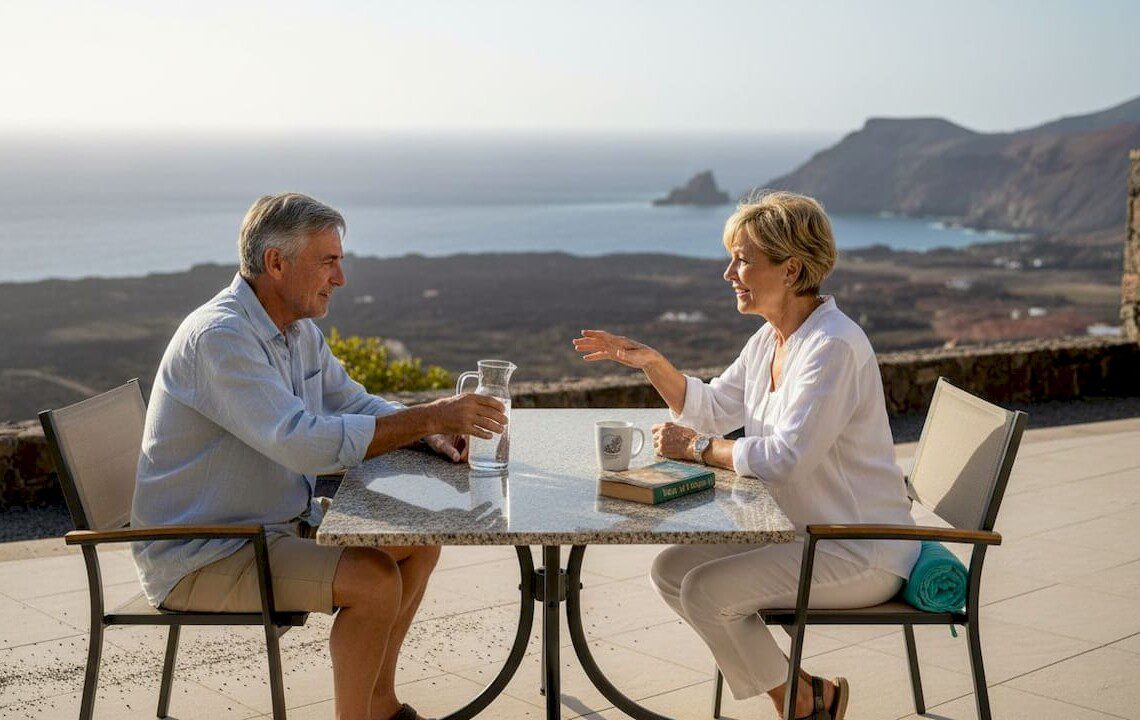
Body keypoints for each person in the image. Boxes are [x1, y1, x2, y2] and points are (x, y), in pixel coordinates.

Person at [132, 192, 508, 720]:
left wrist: (430, 434)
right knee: (374, 584)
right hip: (207, 551)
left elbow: (349, 399)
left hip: (270, 528)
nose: (340, 277)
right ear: (276, 263)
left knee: (419, 544)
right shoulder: (221, 340)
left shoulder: (294, 329)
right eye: (328, 261)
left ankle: (378, 706)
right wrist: (428, 416)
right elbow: (301, 442)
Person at [572, 191, 918, 720]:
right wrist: (653, 365)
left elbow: (785, 457)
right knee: (671, 571)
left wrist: (698, 449)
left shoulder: (832, 348)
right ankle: (804, 691)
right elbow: (711, 405)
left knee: (708, 591)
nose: (729, 272)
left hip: (856, 548)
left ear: (791, 268)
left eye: (743, 259)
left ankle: (799, 706)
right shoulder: (770, 339)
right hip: (801, 534)